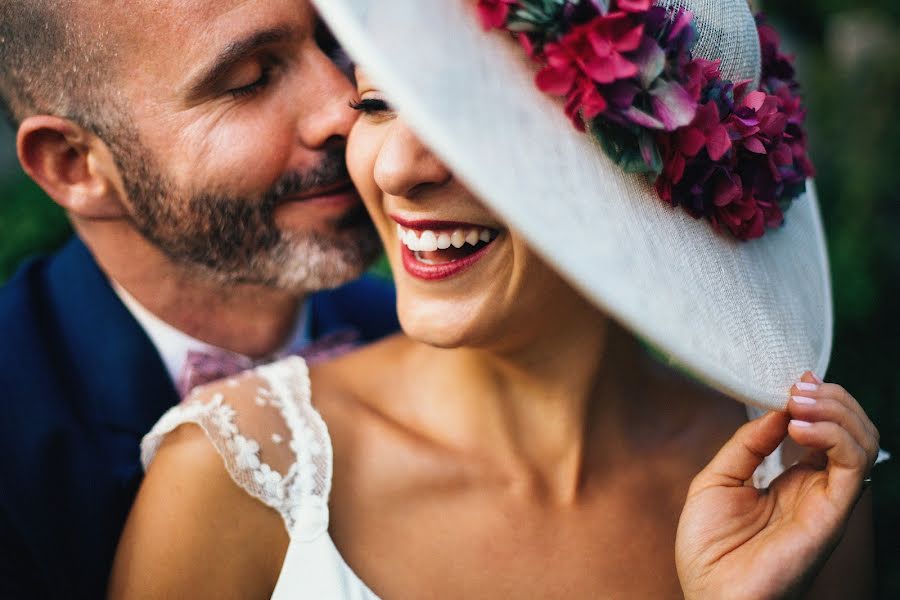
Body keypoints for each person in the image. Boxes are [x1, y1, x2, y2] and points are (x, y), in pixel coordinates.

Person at [111, 1, 883, 598]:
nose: (397, 171)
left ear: (650, 156)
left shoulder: (793, 505)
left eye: (482, 124)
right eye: (376, 105)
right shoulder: (231, 483)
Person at [0, 1, 399, 598]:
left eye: (332, 41)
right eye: (250, 79)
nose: (343, 107)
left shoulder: (407, 333)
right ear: (74, 164)